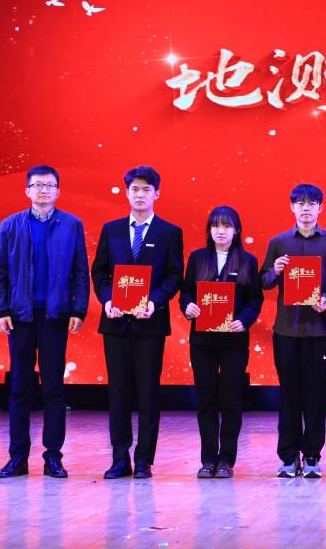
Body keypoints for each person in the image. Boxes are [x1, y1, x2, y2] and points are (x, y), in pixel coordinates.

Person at [0, 165, 89, 479]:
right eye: (37, 185)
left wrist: (79, 310)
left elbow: (80, 272)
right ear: (27, 191)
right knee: (20, 388)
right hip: (20, 317)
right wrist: (0, 310)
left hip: (55, 316)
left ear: (58, 191)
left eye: (49, 185)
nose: (43, 190)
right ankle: (17, 458)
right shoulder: (10, 225)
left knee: (54, 388)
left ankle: (53, 457)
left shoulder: (71, 224)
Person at [91, 166, 184, 479]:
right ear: (127, 193)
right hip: (116, 323)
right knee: (118, 392)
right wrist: (107, 300)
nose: (140, 195)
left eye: (146, 189)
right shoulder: (112, 230)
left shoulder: (169, 232)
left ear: (157, 193)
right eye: (135, 189)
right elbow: (99, 272)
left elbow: (174, 276)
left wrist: (154, 302)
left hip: (149, 324)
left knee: (148, 392)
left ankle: (144, 459)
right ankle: (120, 458)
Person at [260, 183, 326, 478]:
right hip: (287, 330)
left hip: (320, 330)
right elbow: (265, 281)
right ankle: (288, 456)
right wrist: (276, 271)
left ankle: (311, 455)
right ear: (292, 207)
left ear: (321, 207)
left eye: (312, 203)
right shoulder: (279, 242)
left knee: (316, 395)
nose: (306, 208)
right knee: (289, 394)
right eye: (300, 203)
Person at [179, 206, 263, 479]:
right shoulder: (197, 258)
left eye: (227, 226)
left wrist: (244, 320)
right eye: (216, 226)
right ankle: (208, 459)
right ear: (209, 230)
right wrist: (188, 306)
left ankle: (226, 459)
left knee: (231, 400)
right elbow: (186, 292)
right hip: (202, 341)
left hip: (233, 341)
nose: (221, 231)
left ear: (236, 230)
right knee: (205, 400)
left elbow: (255, 299)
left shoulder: (247, 261)